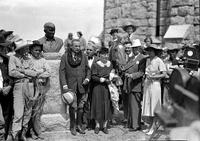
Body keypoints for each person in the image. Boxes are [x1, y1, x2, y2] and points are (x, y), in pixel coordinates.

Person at [9, 40, 39, 141]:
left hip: (30, 86)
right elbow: (12, 72)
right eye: (24, 47)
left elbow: (35, 73)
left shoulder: (29, 59)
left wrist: (22, 71)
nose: (26, 49)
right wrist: (26, 74)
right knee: (18, 112)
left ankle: (23, 133)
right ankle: (15, 135)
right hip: (19, 86)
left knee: (28, 111)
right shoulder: (13, 58)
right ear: (20, 49)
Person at [59, 39, 90, 136]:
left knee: (81, 107)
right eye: (76, 46)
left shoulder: (84, 56)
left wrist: (87, 79)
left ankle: (79, 125)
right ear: (71, 47)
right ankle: (72, 126)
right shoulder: (65, 57)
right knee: (73, 107)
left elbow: (88, 70)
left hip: (82, 85)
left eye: (79, 46)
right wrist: (64, 85)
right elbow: (62, 71)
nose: (78, 48)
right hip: (70, 86)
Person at [27, 40, 51, 140]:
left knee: (37, 111)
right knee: (29, 111)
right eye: (36, 50)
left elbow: (48, 72)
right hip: (30, 87)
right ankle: (30, 132)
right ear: (31, 50)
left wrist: (37, 73)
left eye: (39, 50)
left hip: (40, 87)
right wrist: (40, 72)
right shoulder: (28, 59)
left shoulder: (43, 60)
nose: (38, 52)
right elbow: (28, 72)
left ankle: (37, 132)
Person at [142, 44, 166, 135]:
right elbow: (146, 71)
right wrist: (147, 76)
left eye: (151, 51)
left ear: (155, 51)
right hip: (147, 84)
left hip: (155, 84)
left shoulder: (159, 60)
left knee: (154, 105)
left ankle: (153, 127)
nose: (149, 52)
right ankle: (149, 126)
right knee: (148, 105)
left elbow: (164, 73)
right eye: (148, 51)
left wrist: (155, 77)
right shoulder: (148, 60)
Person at [122, 39, 146, 131]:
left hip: (136, 84)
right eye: (133, 48)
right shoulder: (132, 58)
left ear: (139, 48)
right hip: (130, 84)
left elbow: (141, 72)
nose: (135, 49)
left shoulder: (142, 58)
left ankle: (136, 125)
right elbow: (127, 67)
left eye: (136, 48)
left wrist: (132, 75)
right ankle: (131, 123)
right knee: (131, 105)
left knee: (135, 105)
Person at [91, 47, 113, 134]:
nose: (105, 56)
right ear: (100, 55)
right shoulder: (96, 64)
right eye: (103, 54)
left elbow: (112, 72)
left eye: (106, 54)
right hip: (98, 87)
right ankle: (97, 125)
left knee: (106, 104)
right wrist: (102, 79)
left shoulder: (110, 64)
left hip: (107, 87)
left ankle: (104, 126)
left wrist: (112, 76)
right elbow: (93, 76)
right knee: (97, 104)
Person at [82, 37, 100, 130]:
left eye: (90, 50)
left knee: (94, 103)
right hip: (85, 85)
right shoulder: (83, 58)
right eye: (87, 49)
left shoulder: (98, 59)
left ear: (95, 51)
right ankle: (85, 123)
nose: (88, 51)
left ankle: (94, 123)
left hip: (96, 85)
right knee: (85, 104)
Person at [0, 33, 14, 141]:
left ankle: (4, 137)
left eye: (2, 47)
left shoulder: (7, 60)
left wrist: (9, 86)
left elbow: (12, 75)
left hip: (5, 91)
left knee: (7, 114)